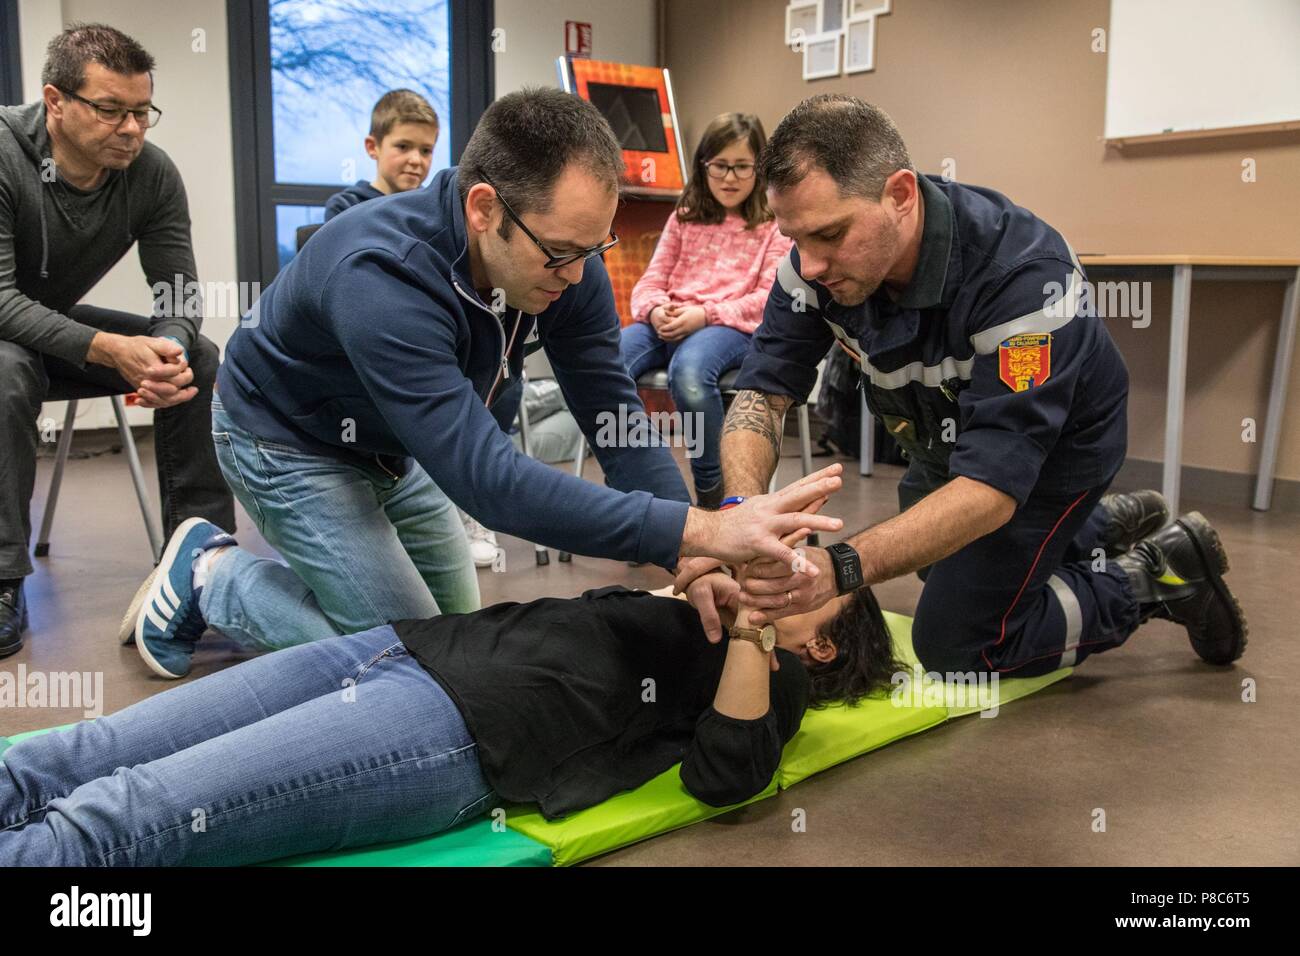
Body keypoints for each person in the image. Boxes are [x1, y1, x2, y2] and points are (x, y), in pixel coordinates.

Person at [121, 86, 845, 679]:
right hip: (286, 440)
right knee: (411, 668)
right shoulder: (381, 276)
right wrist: (698, 527)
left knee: (458, 645)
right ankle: (210, 572)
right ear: (483, 208)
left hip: (402, 446)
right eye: (560, 252)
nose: (577, 274)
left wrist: (689, 556)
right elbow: (489, 484)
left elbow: (612, 414)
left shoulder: (571, 259)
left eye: (592, 248)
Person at [678, 94, 1247, 677]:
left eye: (830, 234)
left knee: (958, 645)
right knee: (932, 561)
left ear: (899, 195)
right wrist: (743, 512)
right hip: (941, 440)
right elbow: (760, 397)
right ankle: (1098, 529)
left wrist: (839, 569)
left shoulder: (1025, 281)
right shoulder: (812, 264)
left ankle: (1154, 574)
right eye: (794, 238)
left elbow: (989, 490)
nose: (811, 263)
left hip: (1055, 456)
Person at [0, 519, 897, 866]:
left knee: (126, 817)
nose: (791, 569)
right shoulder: (699, 601)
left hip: (452, 731)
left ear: (824, 641)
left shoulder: (776, 676)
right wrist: (701, 573)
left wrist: (754, 629)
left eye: (819, 580)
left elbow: (728, 776)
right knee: (87, 750)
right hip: (402, 649)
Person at [0, 23, 234, 658]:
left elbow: (180, 297)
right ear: (55, 101)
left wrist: (169, 348)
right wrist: (108, 347)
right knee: (7, 366)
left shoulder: (151, 175)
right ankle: (2, 580)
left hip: (47, 327)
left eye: (141, 111)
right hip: (4, 339)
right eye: (110, 111)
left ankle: (201, 569)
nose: (131, 128)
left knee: (200, 358)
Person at [622, 113, 791, 509]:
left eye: (742, 166)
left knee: (691, 375)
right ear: (703, 166)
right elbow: (649, 281)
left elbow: (768, 300)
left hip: (730, 327)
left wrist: (705, 315)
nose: (729, 177)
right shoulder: (683, 217)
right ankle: (638, 482)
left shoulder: (772, 224)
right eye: (719, 166)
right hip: (670, 319)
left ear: (760, 167)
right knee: (607, 364)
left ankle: (712, 495)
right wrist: (655, 309)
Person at [323, 88, 439, 222]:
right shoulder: (345, 208)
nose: (416, 160)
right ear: (372, 147)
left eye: (426, 151)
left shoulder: (436, 212)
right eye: (403, 147)